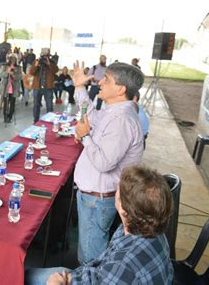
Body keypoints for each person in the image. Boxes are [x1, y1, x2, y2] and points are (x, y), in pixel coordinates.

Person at [25, 165, 174, 285]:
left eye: (118, 190)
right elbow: (103, 265)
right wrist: (73, 278)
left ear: (123, 209)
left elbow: (115, 271)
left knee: (26, 277)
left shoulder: (123, 266)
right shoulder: (152, 229)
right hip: (96, 277)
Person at [71, 61, 144, 264]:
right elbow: (91, 116)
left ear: (120, 89)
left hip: (98, 199)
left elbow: (104, 163)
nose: (100, 81)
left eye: (107, 79)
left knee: (90, 258)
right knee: (89, 249)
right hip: (95, 197)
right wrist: (79, 87)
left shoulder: (122, 120)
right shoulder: (115, 111)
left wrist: (85, 137)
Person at [29, 52, 59, 123]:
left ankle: (50, 121)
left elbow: (55, 70)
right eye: (43, 56)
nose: (45, 58)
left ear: (49, 56)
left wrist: (49, 63)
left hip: (48, 88)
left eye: (47, 56)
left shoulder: (52, 63)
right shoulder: (36, 61)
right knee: (36, 105)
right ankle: (35, 121)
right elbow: (31, 72)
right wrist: (36, 65)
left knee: (49, 106)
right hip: (37, 87)